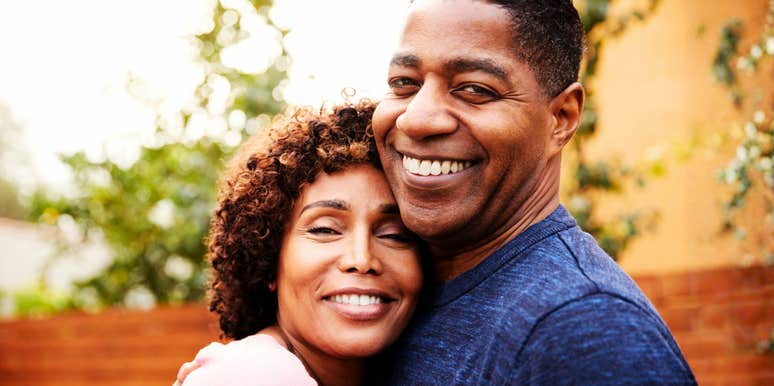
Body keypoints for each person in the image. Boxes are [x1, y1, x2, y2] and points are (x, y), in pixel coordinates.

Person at [371, 0, 697, 384]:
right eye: (404, 83)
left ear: (562, 118)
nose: (417, 119)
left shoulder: (586, 331)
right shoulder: (388, 294)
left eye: (474, 89)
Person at [175, 101, 424, 386]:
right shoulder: (257, 375)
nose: (362, 259)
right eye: (324, 230)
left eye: (394, 235)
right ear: (268, 262)